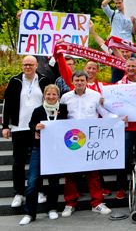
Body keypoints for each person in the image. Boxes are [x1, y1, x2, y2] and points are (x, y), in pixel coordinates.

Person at [60, 70, 127, 217]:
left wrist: (118, 118)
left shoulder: (95, 96)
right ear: (72, 81)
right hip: (72, 140)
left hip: (90, 140)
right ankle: (69, 203)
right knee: (70, 173)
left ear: (86, 81)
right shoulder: (65, 98)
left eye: (82, 80)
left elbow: (104, 113)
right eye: (76, 80)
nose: (79, 83)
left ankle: (97, 202)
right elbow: (60, 117)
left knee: (93, 173)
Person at [2, 56, 50, 208]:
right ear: (22, 66)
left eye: (30, 64)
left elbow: (51, 99)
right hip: (19, 127)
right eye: (25, 64)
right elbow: (7, 104)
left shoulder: (43, 80)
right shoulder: (15, 81)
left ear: (36, 65)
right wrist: (5, 126)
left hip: (38, 127)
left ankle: (39, 191)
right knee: (18, 161)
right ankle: (18, 193)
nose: (27, 67)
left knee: (39, 160)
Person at [19, 85, 68, 225]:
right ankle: (29, 213)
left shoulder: (63, 109)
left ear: (58, 95)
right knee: (33, 182)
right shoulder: (38, 110)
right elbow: (31, 124)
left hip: (56, 150)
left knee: (53, 181)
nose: (51, 97)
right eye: (48, 95)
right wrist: (35, 128)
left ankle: (52, 208)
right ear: (44, 95)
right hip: (39, 149)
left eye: (54, 94)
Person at [115, 58, 136, 199]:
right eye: (128, 66)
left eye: (133, 66)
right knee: (122, 159)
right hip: (127, 129)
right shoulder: (118, 85)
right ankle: (121, 187)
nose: (130, 68)